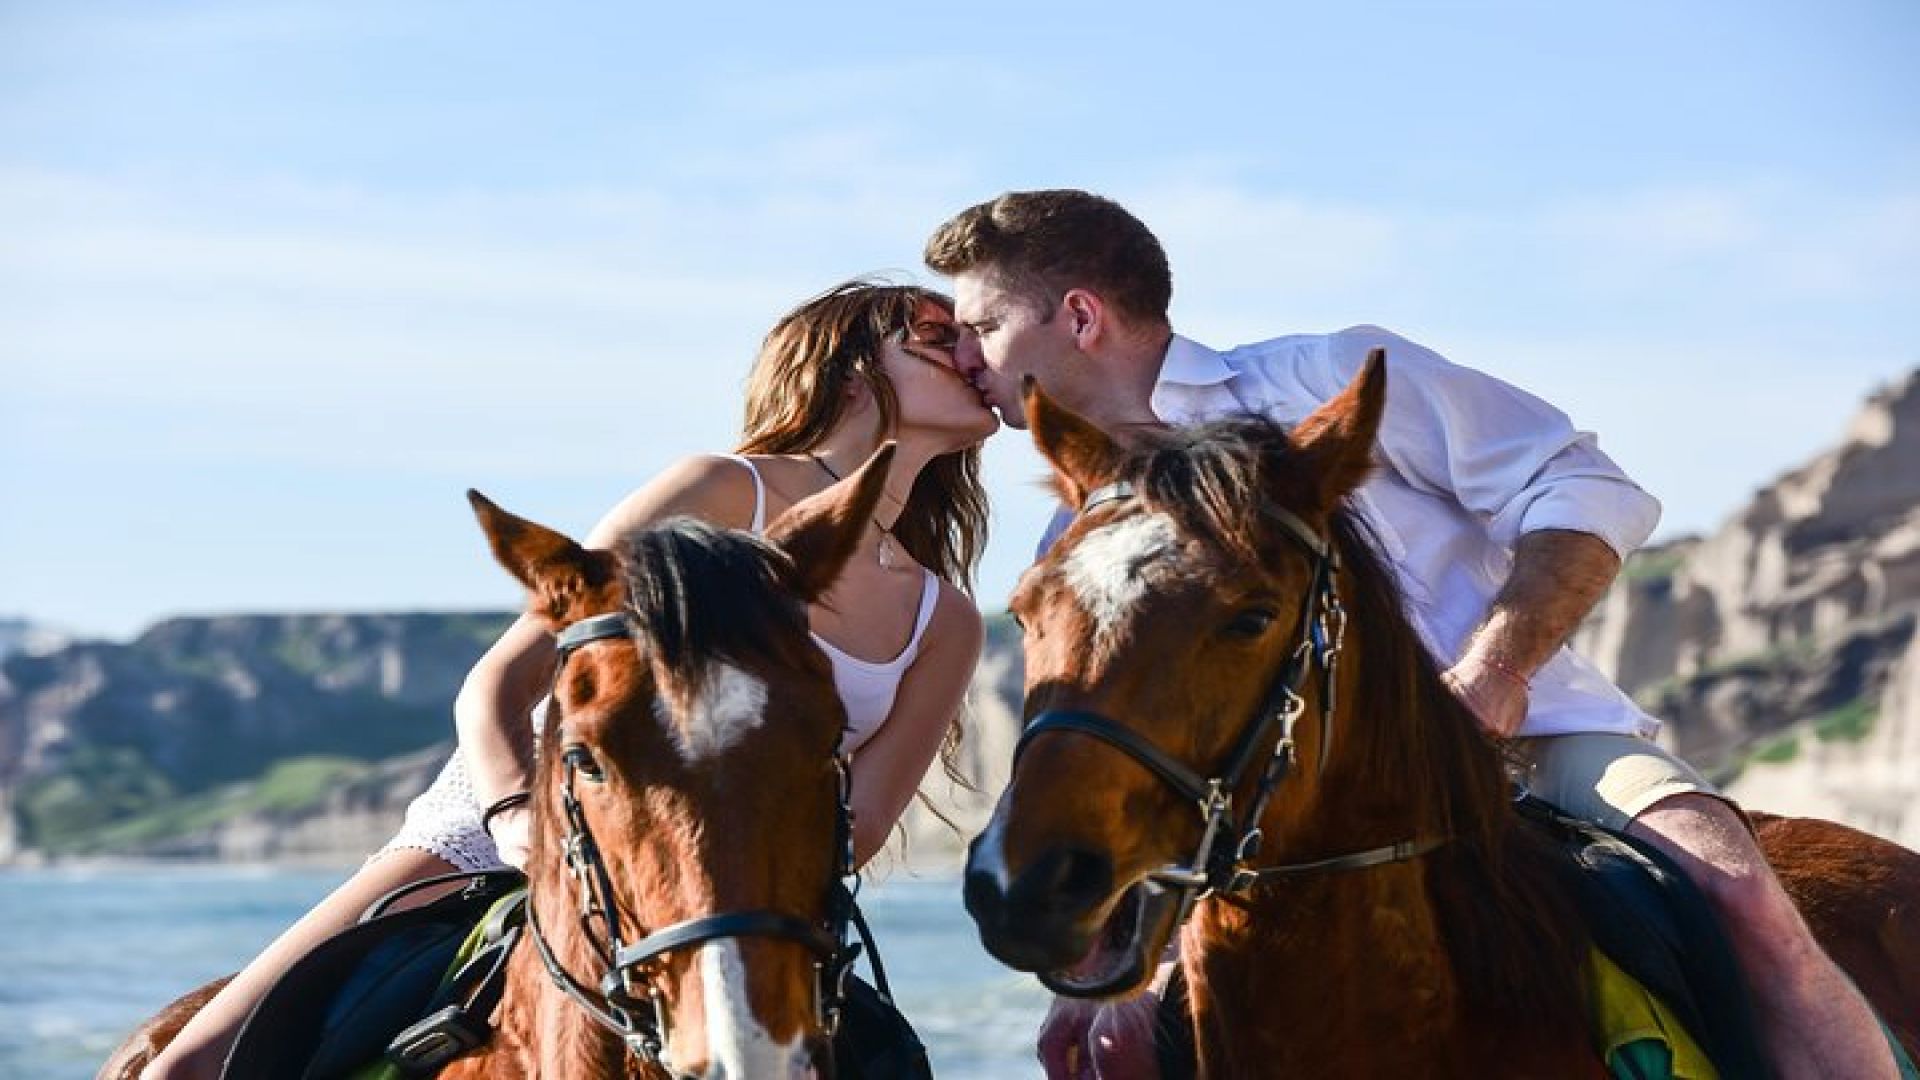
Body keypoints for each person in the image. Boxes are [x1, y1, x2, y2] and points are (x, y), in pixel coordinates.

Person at [923, 189, 1900, 1080]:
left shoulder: (1323, 374)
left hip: (1535, 747)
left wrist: (1497, 669)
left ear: (1080, 315)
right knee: (1108, 1048)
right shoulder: (1075, 536)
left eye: (982, 327)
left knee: (1741, 898)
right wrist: (1092, 962)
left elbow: (1586, 488)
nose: (966, 358)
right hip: (1259, 822)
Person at [140, 279, 1000, 1080]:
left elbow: (863, 824)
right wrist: (514, 817)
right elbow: (498, 682)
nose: (970, 353)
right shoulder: (719, 488)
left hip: (724, 879)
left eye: (973, 338)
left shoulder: (945, 618)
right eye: (936, 337)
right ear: (849, 369)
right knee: (190, 1067)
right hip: (516, 817)